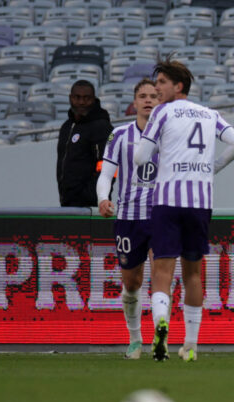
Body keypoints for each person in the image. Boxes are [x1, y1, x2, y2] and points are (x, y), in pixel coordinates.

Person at [134, 58, 234, 362]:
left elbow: (142, 157)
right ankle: (191, 344)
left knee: (161, 270)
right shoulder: (209, 114)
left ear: (177, 85)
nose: (156, 90)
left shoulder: (162, 112)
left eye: (161, 83)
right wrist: (210, 170)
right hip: (200, 202)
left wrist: (164, 159)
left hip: (168, 199)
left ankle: (162, 323)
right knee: (193, 273)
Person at [96, 78, 160, 359]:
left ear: (161, 101)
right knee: (132, 283)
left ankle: (161, 337)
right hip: (128, 218)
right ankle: (135, 339)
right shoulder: (119, 135)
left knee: (161, 280)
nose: (148, 100)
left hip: (162, 216)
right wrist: (102, 198)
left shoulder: (169, 134)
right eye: (143, 96)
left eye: (153, 96)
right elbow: (106, 174)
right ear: (134, 102)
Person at [57, 80, 113, 207]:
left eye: (86, 98)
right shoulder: (66, 127)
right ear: (70, 98)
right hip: (67, 203)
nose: (81, 102)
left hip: (93, 207)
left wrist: (91, 196)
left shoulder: (102, 126)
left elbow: (107, 166)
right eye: (77, 98)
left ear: (94, 99)